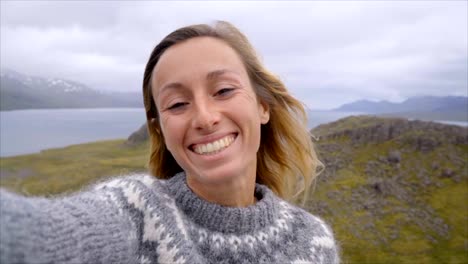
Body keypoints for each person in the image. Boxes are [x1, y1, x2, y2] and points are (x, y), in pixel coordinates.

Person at [0, 21, 339, 263]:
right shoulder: (137, 213)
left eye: (223, 90)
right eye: (177, 104)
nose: (205, 118)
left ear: (262, 106)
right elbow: (37, 236)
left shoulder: (313, 242)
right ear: (160, 130)